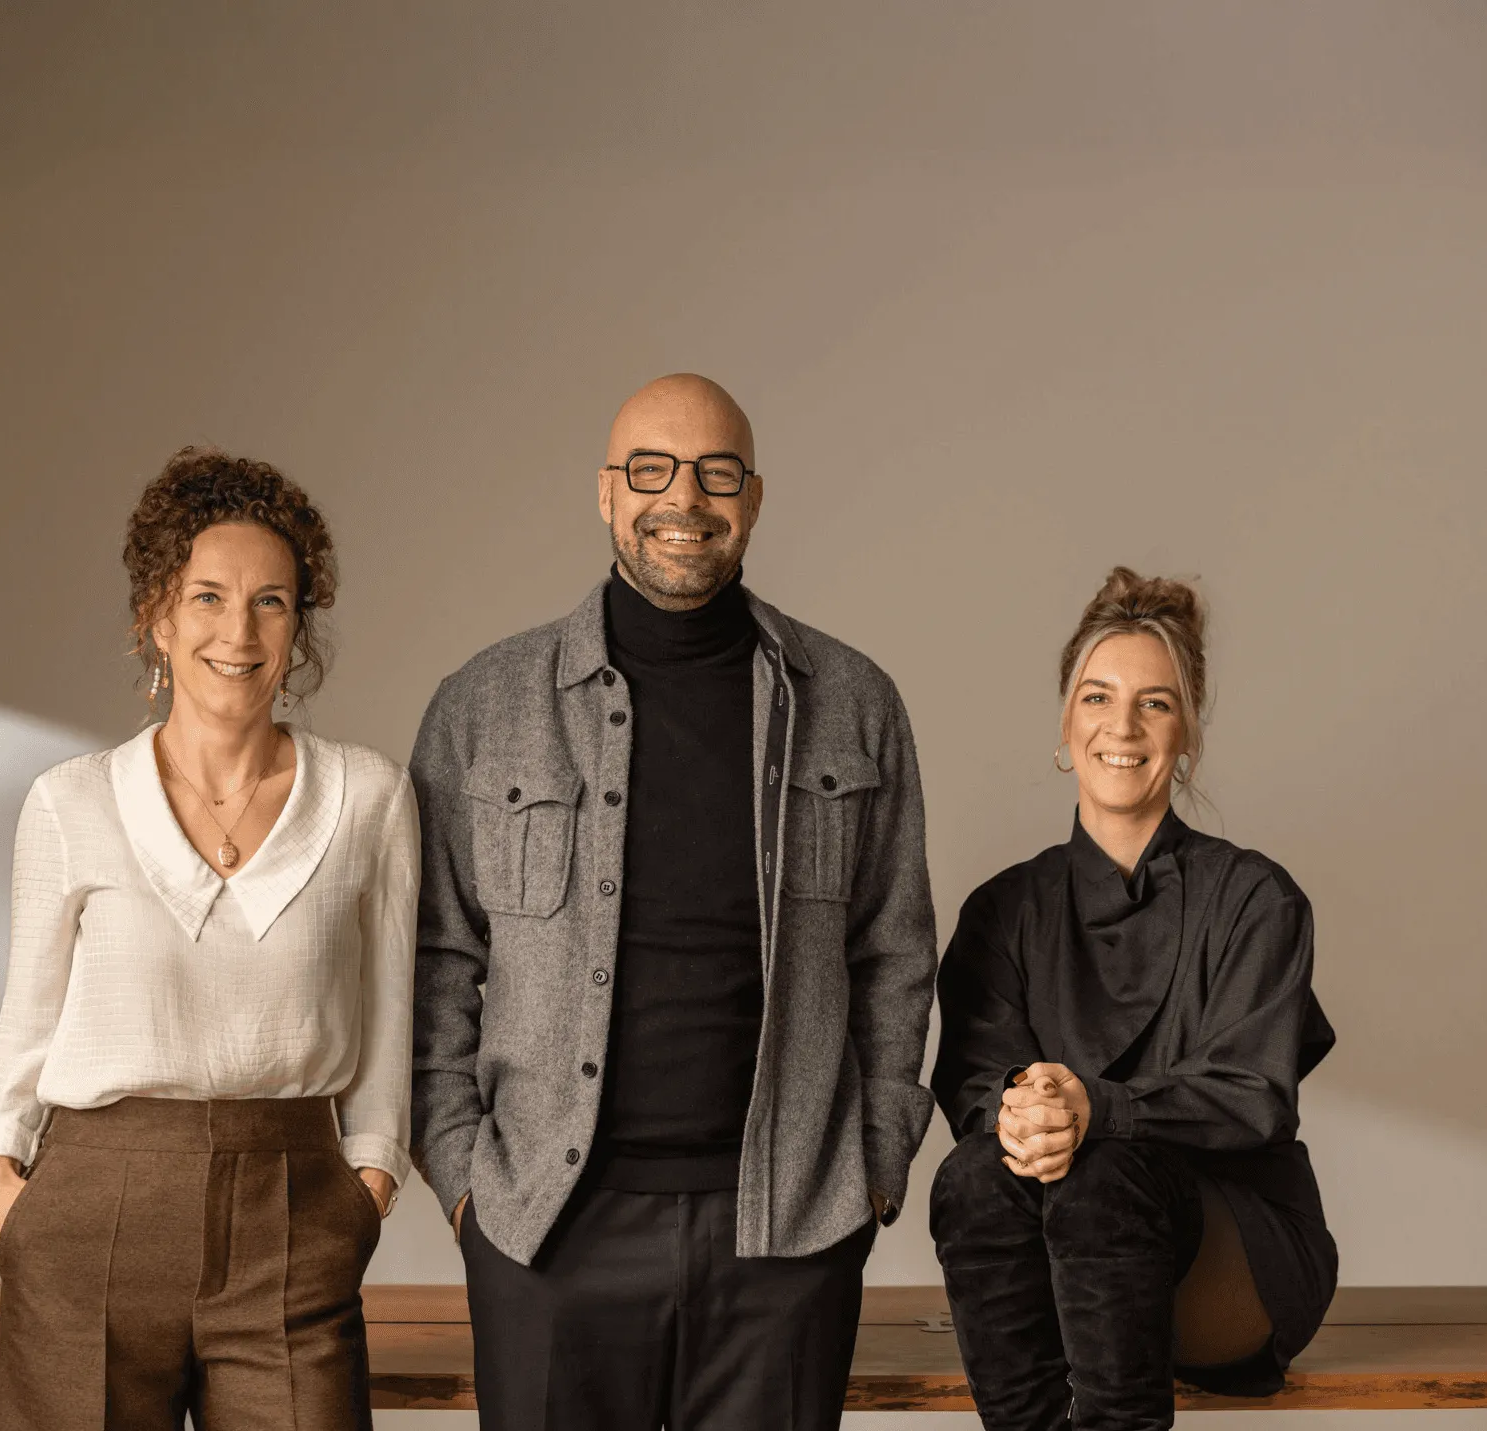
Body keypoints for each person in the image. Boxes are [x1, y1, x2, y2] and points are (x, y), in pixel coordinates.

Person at [408, 373, 938, 1430]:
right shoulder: (484, 705)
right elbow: (433, 958)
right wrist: (466, 1181)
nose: (682, 500)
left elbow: (894, 950)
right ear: (605, 492)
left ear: (752, 495)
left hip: (785, 1231)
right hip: (549, 1232)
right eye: (649, 469)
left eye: (715, 471)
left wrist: (874, 1168)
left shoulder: (851, 701)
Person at [0, 448, 418, 1431]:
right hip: (91, 1216)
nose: (238, 631)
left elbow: (391, 1018)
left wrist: (370, 1180)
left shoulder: (370, 799)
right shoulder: (69, 804)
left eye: (271, 601)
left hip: (295, 1217)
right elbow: (27, 1019)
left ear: (299, 624)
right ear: (157, 617)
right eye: (207, 597)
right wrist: (4, 1185)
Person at [929, 567, 1337, 1430]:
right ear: (1064, 726)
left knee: (1105, 1175)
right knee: (971, 1175)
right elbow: (971, 1078)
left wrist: (1094, 1106)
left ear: (1187, 734)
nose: (1122, 725)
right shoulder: (1003, 908)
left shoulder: (1258, 899)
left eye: (1155, 703)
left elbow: (1254, 1096)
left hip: (1233, 1255)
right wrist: (1023, 1107)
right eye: (1097, 697)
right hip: (1055, 1247)